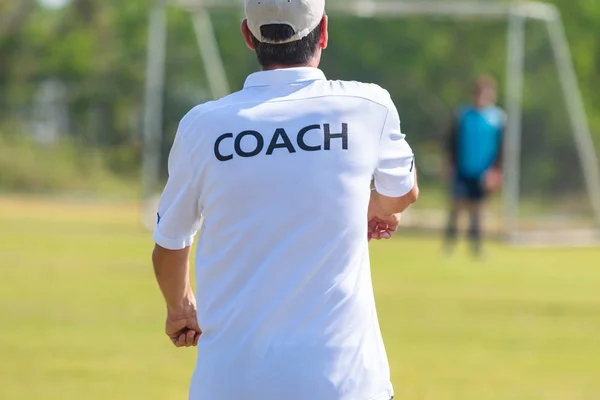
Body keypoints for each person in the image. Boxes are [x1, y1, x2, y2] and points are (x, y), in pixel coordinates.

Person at [151, 0, 419, 399]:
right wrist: (375, 209)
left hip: (229, 383)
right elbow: (402, 192)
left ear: (247, 35)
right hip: (343, 383)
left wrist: (180, 308)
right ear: (324, 31)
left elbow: (170, 246)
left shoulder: (201, 126)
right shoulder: (368, 106)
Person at [443, 75, 505, 258]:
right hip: (463, 169)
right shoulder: (463, 115)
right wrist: (449, 164)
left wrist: (496, 170)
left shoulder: (498, 118)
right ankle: (449, 245)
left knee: (478, 210)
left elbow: (502, 147)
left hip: (484, 172)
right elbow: (451, 141)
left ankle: (476, 247)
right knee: (456, 207)